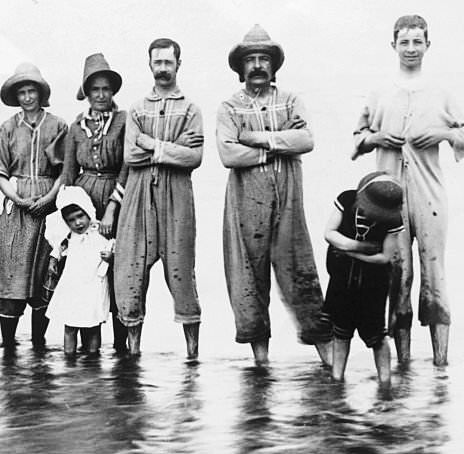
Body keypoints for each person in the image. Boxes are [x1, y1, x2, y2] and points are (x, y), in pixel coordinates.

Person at [216, 25, 333, 366]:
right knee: (249, 277)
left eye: (263, 59)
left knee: (301, 272)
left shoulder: (291, 100)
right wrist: (275, 150)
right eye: (250, 59)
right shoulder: (229, 106)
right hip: (245, 203)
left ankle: (328, 365)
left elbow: (306, 140)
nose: (256, 66)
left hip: (288, 200)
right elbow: (228, 154)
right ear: (240, 67)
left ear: (274, 65)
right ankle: (261, 366)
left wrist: (259, 138)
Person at [352, 14, 464, 366]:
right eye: (405, 42)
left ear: (428, 45)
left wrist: (445, 134)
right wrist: (377, 138)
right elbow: (357, 140)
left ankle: (441, 366)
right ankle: (402, 367)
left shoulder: (442, 92)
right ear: (394, 45)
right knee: (397, 275)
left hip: (430, 196)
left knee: (434, 273)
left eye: (418, 42)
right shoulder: (380, 91)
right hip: (388, 199)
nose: (411, 48)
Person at [117, 38, 203, 359]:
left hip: (178, 195)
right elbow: (130, 155)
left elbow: (193, 157)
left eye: (168, 62)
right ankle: (134, 351)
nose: (163, 69)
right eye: (158, 63)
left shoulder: (191, 109)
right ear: (149, 65)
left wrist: (151, 145)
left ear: (179, 64)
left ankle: (192, 355)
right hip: (139, 193)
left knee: (181, 272)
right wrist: (171, 149)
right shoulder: (137, 108)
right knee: (131, 271)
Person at [0, 63, 67, 350]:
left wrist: (49, 199)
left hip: (49, 201)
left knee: (45, 270)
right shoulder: (8, 128)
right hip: (17, 202)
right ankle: (8, 347)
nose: (27, 97)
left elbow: (65, 171)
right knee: (11, 269)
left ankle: (39, 344)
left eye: (31, 90)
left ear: (40, 92)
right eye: (21, 92)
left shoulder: (57, 125)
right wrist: (17, 198)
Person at [60, 53, 130, 353]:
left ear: (112, 91)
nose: (101, 95)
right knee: (86, 274)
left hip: (118, 197)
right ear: (86, 93)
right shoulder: (76, 128)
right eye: (94, 90)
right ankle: (90, 346)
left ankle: (121, 348)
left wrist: (114, 206)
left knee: (117, 269)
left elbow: (129, 164)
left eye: (105, 89)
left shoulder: (124, 121)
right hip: (85, 201)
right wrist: (67, 212)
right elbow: (67, 173)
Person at [322, 172, 404, 386]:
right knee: (340, 332)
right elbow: (329, 233)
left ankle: (385, 383)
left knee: (377, 335)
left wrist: (349, 252)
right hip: (342, 280)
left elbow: (385, 257)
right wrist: (359, 247)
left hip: (374, 285)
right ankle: (337, 379)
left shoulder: (394, 219)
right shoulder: (347, 199)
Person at [43, 187, 113, 356]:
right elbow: (58, 249)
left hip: (94, 285)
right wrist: (53, 260)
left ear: (88, 212)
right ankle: (69, 357)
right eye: (71, 220)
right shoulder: (68, 236)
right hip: (73, 285)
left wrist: (110, 256)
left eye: (80, 216)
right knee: (70, 324)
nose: (78, 223)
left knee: (93, 325)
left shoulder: (100, 231)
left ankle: (92, 357)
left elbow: (113, 247)